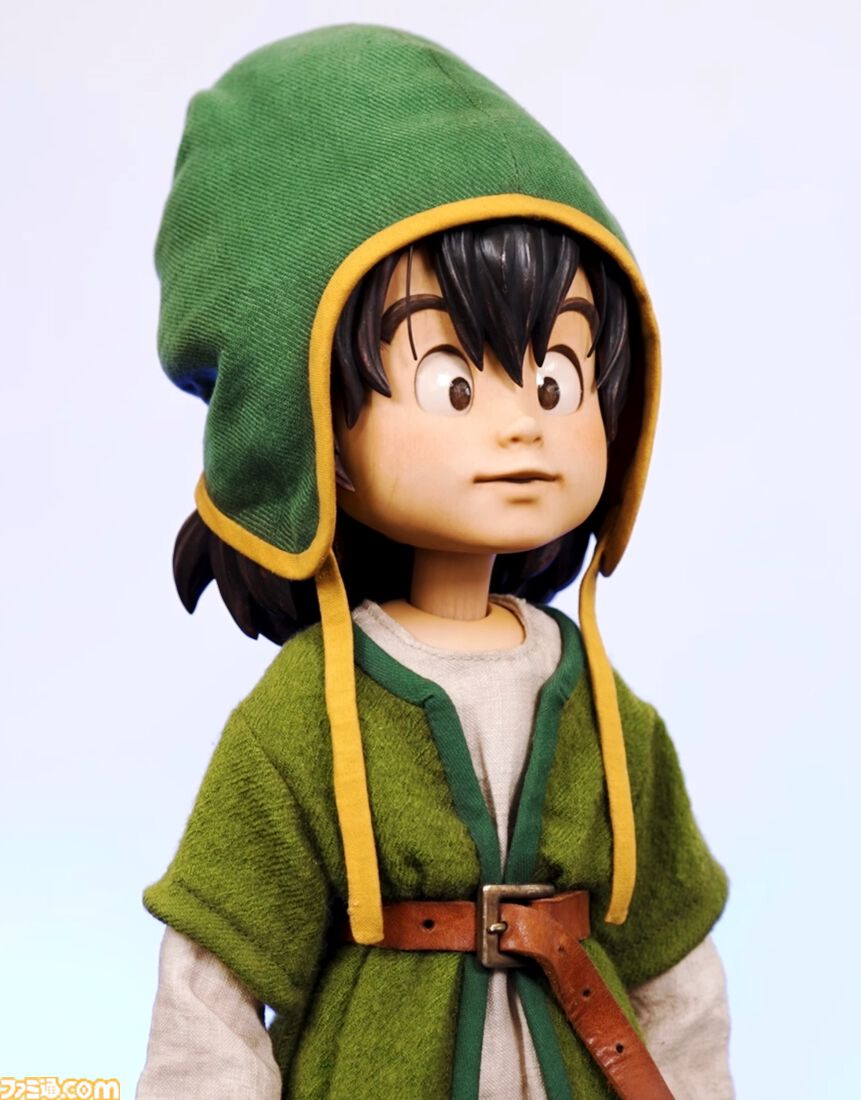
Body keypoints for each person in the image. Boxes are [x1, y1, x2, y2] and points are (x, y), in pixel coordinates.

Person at [137, 25, 733, 1099]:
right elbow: (209, 992)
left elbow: (677, 978)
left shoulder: (606, 710)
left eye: (556, 378)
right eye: (453, 381)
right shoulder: (306, 714)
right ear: (306, 417)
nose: (522, 424)